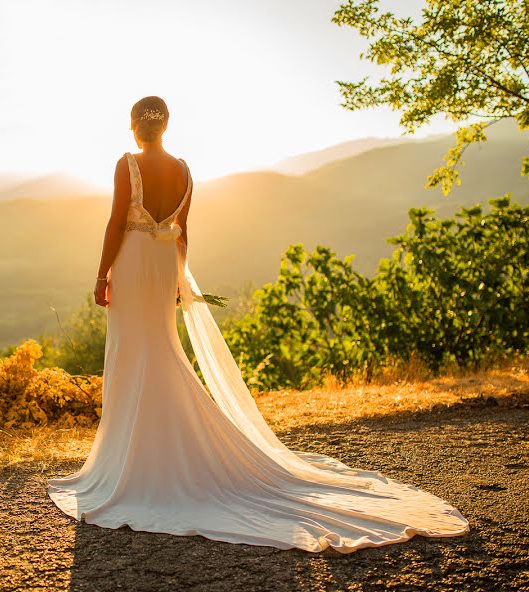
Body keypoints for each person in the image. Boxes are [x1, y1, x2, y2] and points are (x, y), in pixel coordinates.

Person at [46, 96, 470, 553]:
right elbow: (182, 231)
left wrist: (101, 274)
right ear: (166, 125)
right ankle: (160, 449)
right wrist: (180, 281)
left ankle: (134, 460)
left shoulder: (126, 164)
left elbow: (115, 222)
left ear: (133, 127)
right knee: (160, 349)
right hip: (165, 266)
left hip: (131, 265)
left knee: (132, 354)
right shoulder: (185, 170)